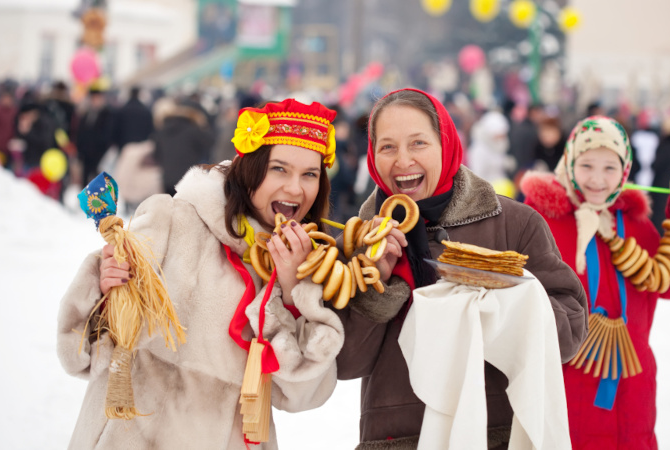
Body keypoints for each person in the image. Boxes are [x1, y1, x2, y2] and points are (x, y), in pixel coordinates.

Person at [57, 98, 345, 449]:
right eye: (279, 169)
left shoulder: (311, 265)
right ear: (250, 166)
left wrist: (290, 288)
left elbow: (303, 396)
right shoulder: (171, 221)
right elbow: (84, 352)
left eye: (310, 175)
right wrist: (107, 291)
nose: (296, 188)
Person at [334, 88, 588, 449]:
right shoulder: (361, 237)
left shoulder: (515, 224)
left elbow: (570, 332)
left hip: (493, 435)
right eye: (387, 146)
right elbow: (346, 363)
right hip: (395, 438)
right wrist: (379, 283)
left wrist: (500, 306)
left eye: (418, 143)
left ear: (446, 143)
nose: (402, 160)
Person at [520, 116, 670, 449]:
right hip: (561, 385)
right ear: (569, 162)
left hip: (630, 386)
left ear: (625, 172)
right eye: (587, 165)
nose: (597, 179)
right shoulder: (540, 222)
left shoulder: (635, 226)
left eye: (610, 168)